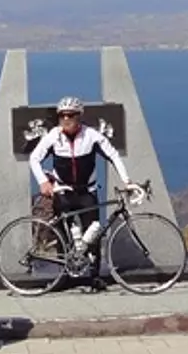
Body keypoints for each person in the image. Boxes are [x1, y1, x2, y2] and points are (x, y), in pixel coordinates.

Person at [29, 97, 133, 251]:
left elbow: (113, 156)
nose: (65, 119)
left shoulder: (92, 136)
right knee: (63, 236)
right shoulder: (53, 136)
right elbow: (34, 158)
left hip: (87, 192)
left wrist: (126, 181)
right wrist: (43, 181)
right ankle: (66, 272)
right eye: (62, 115)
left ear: (79, 116)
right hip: (63, 192)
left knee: (93, 232)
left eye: (70, 115)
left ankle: (93, 272)